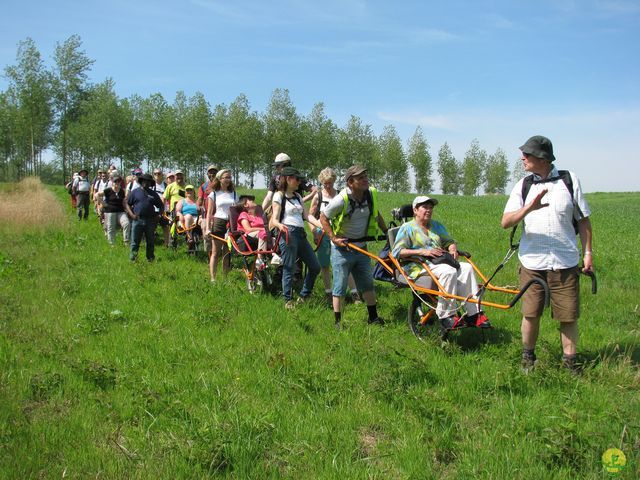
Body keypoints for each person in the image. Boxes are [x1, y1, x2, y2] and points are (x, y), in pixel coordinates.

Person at [501, 135, 593, 373]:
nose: (523, 158)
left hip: (565, 261)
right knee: (530, 314)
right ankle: (528, 359)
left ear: (542, 158)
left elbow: (583, 221)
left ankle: (570, 364)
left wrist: (588, 253)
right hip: (532, 261)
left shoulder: (569, 180)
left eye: (527, 154)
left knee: (568, 315)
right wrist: (528, 208)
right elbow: (505, 222)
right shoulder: (523, 186)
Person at [391, 195, 492, 331]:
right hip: (419, 265)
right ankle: (446, 316)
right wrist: (422, 252)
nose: (429, 210)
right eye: (425, 207)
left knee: (467, 268)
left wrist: (452, 249)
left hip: (439, 262)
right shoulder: (407, 228)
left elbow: (449, 241)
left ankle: (474, 314)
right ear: (415, 210)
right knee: (448, 271)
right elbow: (397, 252)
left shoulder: (436, 225)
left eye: (431, 207)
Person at [320, 165, 387, 327]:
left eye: (366, 176)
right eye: (361, 178)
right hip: (342, 249)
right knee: (340, 286)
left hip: (361, 248)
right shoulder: (340, 200)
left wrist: (388, 233)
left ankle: (373, 318)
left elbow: (376, 214)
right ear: (350, 182)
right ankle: (338, 322)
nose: (365, 180)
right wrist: (334, 238)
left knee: (367, 284)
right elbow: (323, 217)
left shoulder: (370, 195)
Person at [269, 166, 322, 309]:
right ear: (288, 179)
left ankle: (304, 296)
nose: (299, 182)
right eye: (297, 179)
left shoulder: (298, 197)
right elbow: (274, 219)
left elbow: (307, 216)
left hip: (301, 234)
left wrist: (323, 226)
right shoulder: (279, 196)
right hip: (288, 233)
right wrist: (280, 226)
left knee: (315, 266)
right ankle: (288, 300)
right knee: (289, 267)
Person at [309, 167, 362, 307]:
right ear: (321, 182)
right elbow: (310, 216)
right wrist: (314, 232)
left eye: (330, 182)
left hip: (340, 235)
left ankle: (354, 293)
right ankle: (328, 292)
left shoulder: (339, 195)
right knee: (325, 265)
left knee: (345, 264)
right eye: (325, 183)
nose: (328, 185)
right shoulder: (318, 196)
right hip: (323, 236)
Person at [124, 173, 164, 262]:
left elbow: (161, 205)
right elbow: (127, 203)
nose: (146, 183)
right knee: (135, 242)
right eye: (144, 181)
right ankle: (133, 259)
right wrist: (131, 215)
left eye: (149, 182)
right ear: (141, 181)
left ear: (151, 183)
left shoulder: (153, 194)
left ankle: (150, 259)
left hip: (150, 220)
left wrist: (159, 215)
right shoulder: (135, 192)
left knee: (150, 241)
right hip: (137, 220)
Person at [207, 169, 238, 282]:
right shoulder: (214, 194)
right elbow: (209, 212)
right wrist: (207, 228)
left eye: (229, 177)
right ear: (220, 179)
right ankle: (213, 278)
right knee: (215, 252)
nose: (228, 179)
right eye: (226, 177)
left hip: (230, 224)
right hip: (218, 222)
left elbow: (236, 210)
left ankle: (225, 278)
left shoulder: (234, 194)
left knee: (227, 252)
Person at [97, 175, 130, 245]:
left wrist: (127, 209)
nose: (117, 183)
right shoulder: (108, 190)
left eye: (118, 182)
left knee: (126, 223)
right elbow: (97, 195)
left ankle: (126, 241)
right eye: (115, 181)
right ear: (112, 182)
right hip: (110, 211)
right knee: (111, 227)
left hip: (120, 211)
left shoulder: (121, 191)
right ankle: (112, 244)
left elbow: (124, 201)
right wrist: (103, 203)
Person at [198, 165, 219, 257]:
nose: (212, 174)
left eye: (214, 172)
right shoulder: (204, 186)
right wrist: (198, 207)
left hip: (219, 215)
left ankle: (219, 254)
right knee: (205, 230)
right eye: (210, 172)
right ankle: (209, 255)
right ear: (207, 174)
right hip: (206, 215)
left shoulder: (220, 185)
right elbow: (199, 200)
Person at [151, 169, 170, 247]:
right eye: (155, 174)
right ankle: (151, 244)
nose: (157, 175)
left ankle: (166, 245)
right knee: (152, 228)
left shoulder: (166, 186)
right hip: (153, 210)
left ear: (162, 175)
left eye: (159, 173)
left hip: (164, 210)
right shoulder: (151, 186)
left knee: (165, 227)